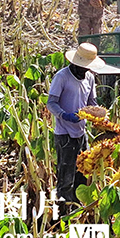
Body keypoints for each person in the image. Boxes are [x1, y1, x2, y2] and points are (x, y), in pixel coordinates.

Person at [46, 42, 103, 203]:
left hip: (81, 133)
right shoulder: (62, 77)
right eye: (83, 67)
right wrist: (64, 115)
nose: (85, 70)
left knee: (83, 173)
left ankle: (79, 208)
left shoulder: (89, 78)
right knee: (66, 177)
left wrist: (97, 115)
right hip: (65, 134)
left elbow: (91, 102)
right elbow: (51, 103)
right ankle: (63, 210)